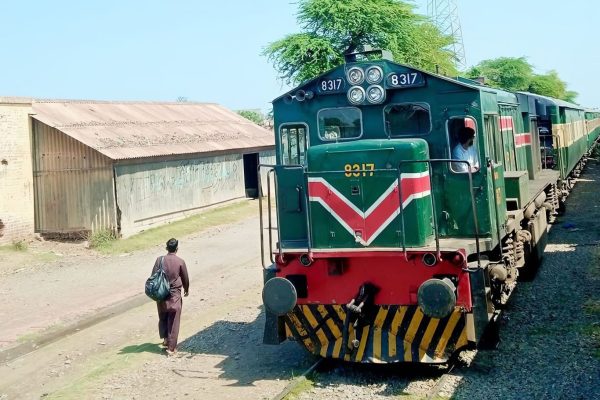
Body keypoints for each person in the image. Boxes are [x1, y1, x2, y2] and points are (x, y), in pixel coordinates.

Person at [152, 238, 189, 356]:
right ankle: (171, 348)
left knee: (163, 316)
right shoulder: (180, 262)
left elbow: (153, 276)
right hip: (174, 295)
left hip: (161, 294)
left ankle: (166, 339)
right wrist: (186, 289)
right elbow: (185, 278)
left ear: (167, 248)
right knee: (173, 320)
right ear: (177, 249)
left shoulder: (159, 260)